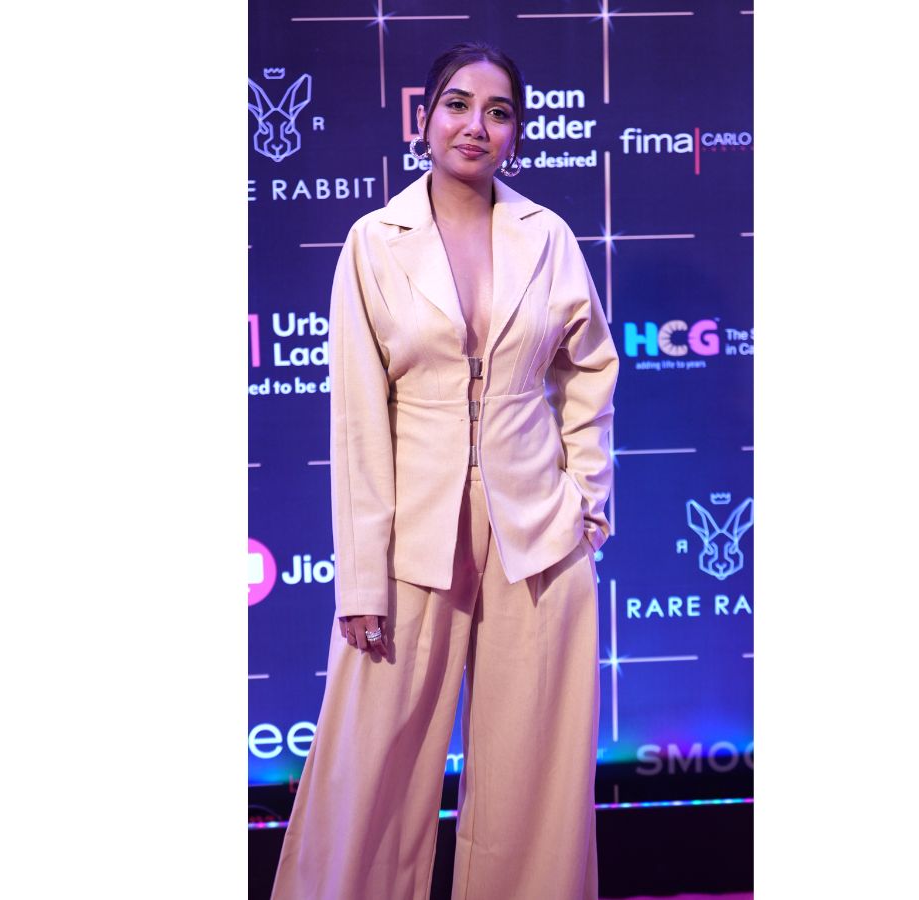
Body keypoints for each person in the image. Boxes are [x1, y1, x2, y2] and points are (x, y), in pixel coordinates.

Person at [270, 41, 619, 900]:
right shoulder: (373, 241)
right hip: (410, 544)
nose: (476, 125)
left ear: (517, 135)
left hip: (538, 537)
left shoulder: (547, 237)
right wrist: (362, 578)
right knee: (369, 775)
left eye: (499, 112)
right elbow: (358, 420)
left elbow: (590, 369)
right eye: (458, 105)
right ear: (423, 120)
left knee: (534, 784)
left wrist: (586, 501)